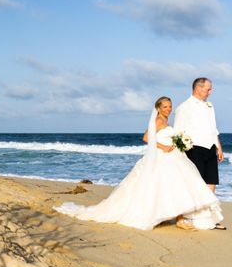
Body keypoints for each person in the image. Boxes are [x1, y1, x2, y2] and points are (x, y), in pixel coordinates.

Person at [55, 97, 224, 231]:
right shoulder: (158, 121)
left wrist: (179, 143)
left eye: (169, 106)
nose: (168, 109)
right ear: (158, 108)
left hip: (173, 157)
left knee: (174, 187)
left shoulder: (166, 121)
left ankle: (178, 218)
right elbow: (145, 138)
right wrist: (164, 146)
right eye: (165, 106)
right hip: (161, 158)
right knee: (168, 187)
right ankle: (176, 219)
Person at [173, 78, 225, 230]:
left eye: (210, 89)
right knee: (195, 183)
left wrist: (219, 147)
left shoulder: (210, 106)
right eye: (208, 89)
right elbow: (178, 132)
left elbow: (213, 128)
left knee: (211, 182)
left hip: (210, 147)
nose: (210, 92)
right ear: (198, 88)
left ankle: (208, 218)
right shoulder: (184, 107)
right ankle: (189, 216)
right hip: (194, 148)